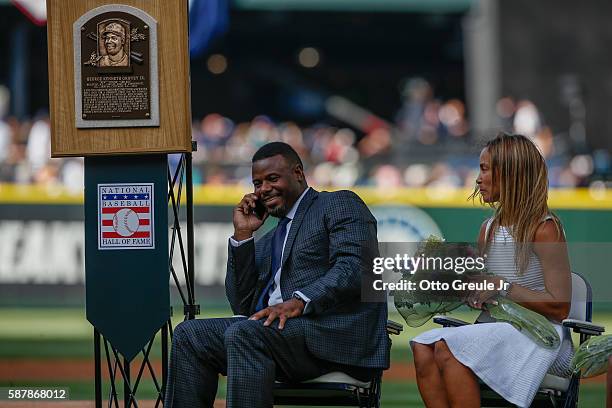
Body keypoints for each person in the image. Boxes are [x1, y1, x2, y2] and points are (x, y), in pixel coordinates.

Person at [164, 142, 389, 407]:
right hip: (275, 336)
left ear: (298, 174)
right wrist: (243, 235)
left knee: (245, 333)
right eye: (257, 183)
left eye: (272, 178)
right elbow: (242, 304)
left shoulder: (337, 202)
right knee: (189, 334)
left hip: (331, 336)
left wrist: (300, 301)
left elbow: (357, 267)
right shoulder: (270, 238)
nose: (263, 189)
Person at [411, 133, 573, 408]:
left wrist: (501, 286)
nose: (478, 178)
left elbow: (560, 308)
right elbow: (490, 296)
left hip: (540, 334)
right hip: (500, 327)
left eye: (485, 169)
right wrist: (467, 288)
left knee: (448, 350)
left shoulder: (545, 229)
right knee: (422, 346)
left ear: (510, 174)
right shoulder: (487, 229)